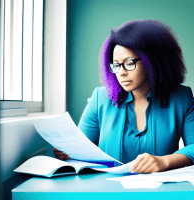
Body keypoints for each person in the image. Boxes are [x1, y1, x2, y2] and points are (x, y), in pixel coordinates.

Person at [54, 19, 194, 174]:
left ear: (153, 61)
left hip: (159, 192)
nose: (121, 72)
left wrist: (165, 161)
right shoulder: (100, 98)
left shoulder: (182, 97)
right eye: (116, 65)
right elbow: (81, 147)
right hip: (107, 191)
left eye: (129, 63)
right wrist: (68, 151)